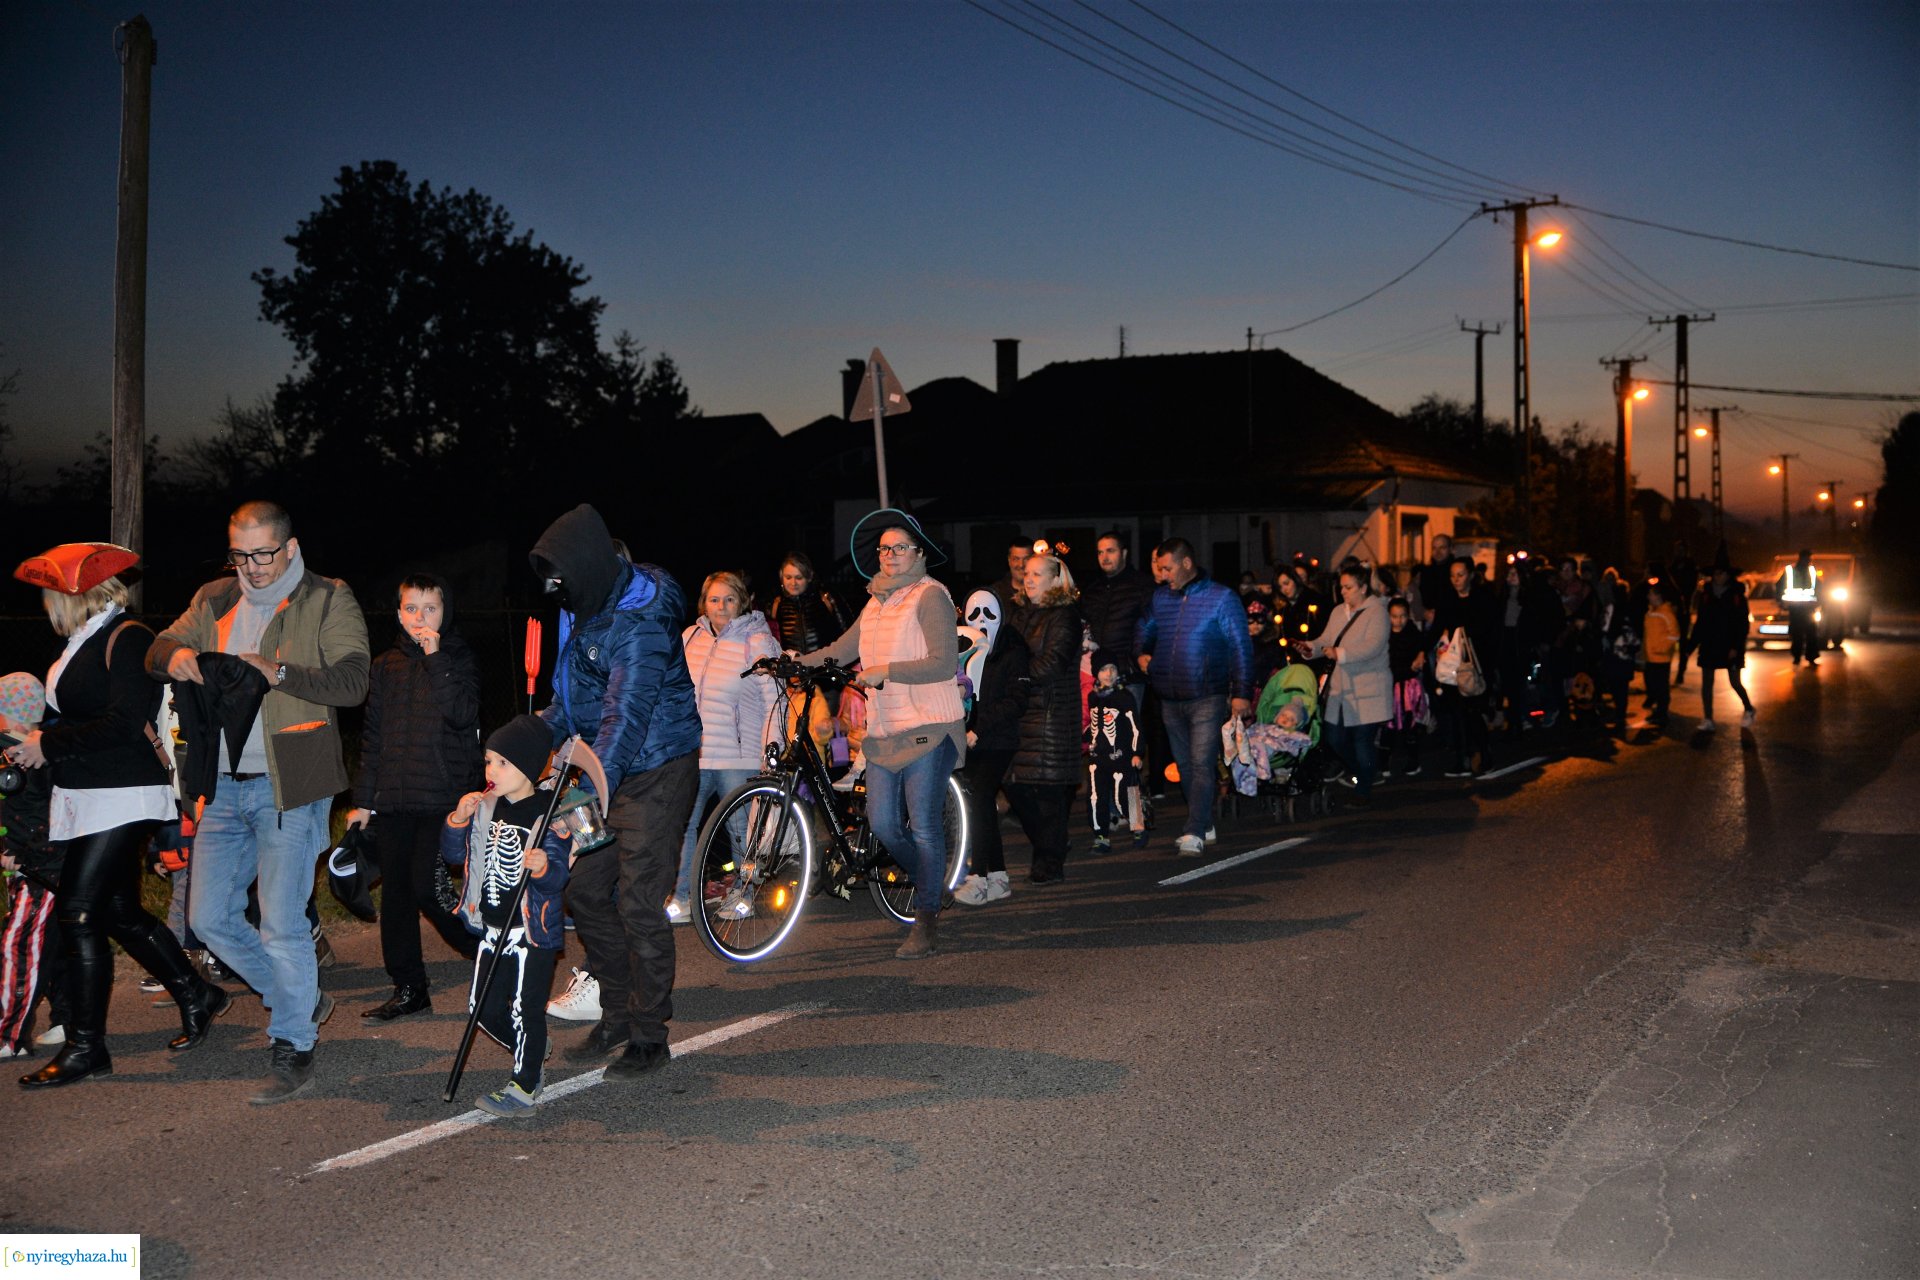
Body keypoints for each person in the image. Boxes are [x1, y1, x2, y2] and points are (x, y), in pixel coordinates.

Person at [146, 501, 369, 1103]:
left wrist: (278, 671)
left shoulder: (327, 598)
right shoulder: (216, 598)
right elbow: (157, 647)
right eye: (241, 555)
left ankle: (293, 1042)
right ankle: (301, 998)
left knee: (280, 922)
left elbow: (353, 681)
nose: (252, 567)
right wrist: (179, 657)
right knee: (207, 918)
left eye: (264, 554)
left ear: (291, 548)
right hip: (219, 785)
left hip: (290, 783)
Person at [10, 543, 229, 1090]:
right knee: (118, 911)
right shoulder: (81, 641)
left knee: (78, 912)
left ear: (73, 595)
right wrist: (39, 744)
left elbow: (126, 723)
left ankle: (88, 1048)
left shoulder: (128, 638)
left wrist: (50, 743)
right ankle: (198, 993)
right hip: (87, 793)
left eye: (49, 594)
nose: (45, 605)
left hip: (124, 792)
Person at [531, 504, 701, 1077]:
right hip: (605, 768)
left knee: (637, 900)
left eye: (563, 584)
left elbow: (625, 717)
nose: (558, 596)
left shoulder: (640, 620)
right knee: (583, 890)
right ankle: (617, 1012)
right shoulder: (584, 608)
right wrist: (521, 744)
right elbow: (569, 703)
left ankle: (650, 1034)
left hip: (657, 769)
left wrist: (587, 789)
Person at [801, 509, 965, 957]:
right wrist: (797, 661)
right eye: (884, 548)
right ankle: (932, 882)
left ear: (918, 553)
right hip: (886, 728)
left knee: (925, 827)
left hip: (929, 725)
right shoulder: (876, 600)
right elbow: (841, 649)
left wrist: (884, 672)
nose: (891, 555)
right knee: (884, 824)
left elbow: (943, 663)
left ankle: (926, 918)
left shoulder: (931, 596)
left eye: (900, 547)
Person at [345, 573, 482, 1022]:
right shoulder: (385, 664)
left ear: (446, 611)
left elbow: (462, 714)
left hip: (443, 797)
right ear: (398, 612)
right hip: (394, 799)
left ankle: (487, 951)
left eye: (430, 609)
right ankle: (409, 988)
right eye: (411, 609)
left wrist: (435, 657)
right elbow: (373, 738)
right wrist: (364, 801)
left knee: (430, 891)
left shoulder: (458, 658)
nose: (420, 618)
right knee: (397, 897)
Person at [439, 714, 574, 1116]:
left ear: (529, 767)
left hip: (532, 932)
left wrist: (544, 868)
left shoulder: (550, 813)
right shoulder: (486, 808)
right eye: (488, 762)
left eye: (502, 763)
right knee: (482, 1007)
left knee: (524, 1009)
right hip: (492, 927)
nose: (491, 771)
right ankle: (531, 1047)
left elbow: (558, 878)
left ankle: (524, 1086)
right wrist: (457, 821)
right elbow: (452, 856)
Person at [1135, 538, 1254, 857]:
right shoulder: (1161, 598)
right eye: (1159, 568)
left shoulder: (1221, 598)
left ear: (1186, 563)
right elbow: (1144, 627)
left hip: (1207, 694)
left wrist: (1241, 692)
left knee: (1201, 763)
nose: (1163, 574)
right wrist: (1143, 652)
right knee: (1185, 765)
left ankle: (1194, 830)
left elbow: (1240, 646)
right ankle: (1203, 821)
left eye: (1167, 568)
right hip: (1169, 696)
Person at [673, 571, 780, 922]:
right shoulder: (690, 638)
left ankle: (744, 893)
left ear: (742, 602)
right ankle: (684, 897)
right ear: (704, 603)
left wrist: (772, 747)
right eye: (714, 599)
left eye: (729, 599)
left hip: (739, 753)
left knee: (739, 827)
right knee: (683, 824)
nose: (721, 606)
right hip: (696, 752)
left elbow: (774, 698)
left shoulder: (757, 641)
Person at [1004, 553, 1084, 883]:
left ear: (1055, 580)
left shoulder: (1064, 615)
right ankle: (1051, 843)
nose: (1029, 577)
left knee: (1048, 791)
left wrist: (1014, 678)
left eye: (1038, 573)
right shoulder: (1020, 615)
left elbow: (1052, 663)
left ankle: (1048, 859)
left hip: (1052, 713)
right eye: (1027, 572)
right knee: (1013, 785)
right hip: (1022, 711)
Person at [952, 588, 1027, 907]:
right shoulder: (961, 647)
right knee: (977, 803)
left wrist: (979, 729)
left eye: (989, 612)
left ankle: (978, 876)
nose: (981, 620)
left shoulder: (1013, 649)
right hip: (969, 739)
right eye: (974, 613)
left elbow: (1016, 701)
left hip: (999, 740)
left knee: (980, 797)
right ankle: (997, 876)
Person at [1, 673, 62, 1058]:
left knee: (18, 944)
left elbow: (47, 818)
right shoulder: (22, 753)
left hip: (40, 869)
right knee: (50, 943)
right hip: (30, 865)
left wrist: (20, 855)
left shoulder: (23, 758)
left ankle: (9, 1034)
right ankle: (67, 1017)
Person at [1300, 567, 1391, 808]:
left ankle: (1363, 789)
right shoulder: (1339, 611)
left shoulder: (1377, 612)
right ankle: (1366, 772)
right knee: (1334, 737)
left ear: (1363, 588)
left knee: (1362, 740)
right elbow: (1326, 639)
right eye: (1341, 587)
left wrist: (1339, 653)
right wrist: (1311, 647)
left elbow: (1373, 646)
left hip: (1368, 687)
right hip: (1342, 689)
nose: (1343, 592)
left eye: (1348, 587)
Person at [1430, 557, 1498, 777]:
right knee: (1457, 712)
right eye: (1452, 575)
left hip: (1476, 665)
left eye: (1460, 575)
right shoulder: (1448, 599)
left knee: (1473, 712)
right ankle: (1462, 759)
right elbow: (1438, 626)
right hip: (1453, 665)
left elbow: (1491, 631)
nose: (1456, 580)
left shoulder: (1483, 598)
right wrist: (1423, 650)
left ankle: (1483, 755)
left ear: (1469, 575)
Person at [1079, 532, 1153, 707]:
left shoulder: (1141, 586)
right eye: (1100, 552)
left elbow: (1151, 628)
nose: (1104, 557)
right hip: (1096, 673)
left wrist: (1136, 661)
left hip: (1128, 675)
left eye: (1110, 551)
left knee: (1127, 728)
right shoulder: (1092, 589)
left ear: (1124, 553)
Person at [1083, 662, 1145, 852]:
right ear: (1095, 673)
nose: (1109, 674)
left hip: (1121, 756)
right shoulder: (1092, 696)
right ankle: (1100, 836)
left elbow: (1135, 726)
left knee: (1125, 795)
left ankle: (1139, 827)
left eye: (1113, 669)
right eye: (1103, 669)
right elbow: (1094, 726)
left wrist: (1137, 752)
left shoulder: (1124, 697)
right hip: (1097, 757)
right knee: (1095, 798)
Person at [1692, 554, 1756, 732]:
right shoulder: (1706, 595)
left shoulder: (1737, 596)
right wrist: (1690, 645)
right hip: (1710, 644)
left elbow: (1742, 623)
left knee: (1734, 682)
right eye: (1715, 573)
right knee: (1706, 683)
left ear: (1728, 575)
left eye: (1721, 573)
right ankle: (1708, 718)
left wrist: (1736, 646)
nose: (1717, 577)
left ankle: (1749, 709)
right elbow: (1701, 622)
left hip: (1730, 645)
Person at [764, 551, 849, 654]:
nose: (793, 583)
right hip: (792, 667)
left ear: (809, 576)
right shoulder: (775, 604)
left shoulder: (826, 598)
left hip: (824, 666)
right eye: (788, 577)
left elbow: (848, 634)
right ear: (781, 577)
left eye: (799, 578)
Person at [1380, 598, 1427, 778]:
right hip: (1390, 685)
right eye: (1394, 616)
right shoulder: (1384, 635)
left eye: (1402, 616)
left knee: (1410, 726)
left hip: (1408, 687)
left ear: (1408, 616)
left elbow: (1422, 644)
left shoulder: (1412, 632)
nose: (1398, 621)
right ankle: (1383, 762)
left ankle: (1413, 760)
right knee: (1387, 727)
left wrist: (1420, 656)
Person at [1639, 583, 1679, 729]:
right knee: (1651, 684)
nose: (1648, 596)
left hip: (1661, 658)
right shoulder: (1650, 612)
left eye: (1651, 594)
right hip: (1650, 657)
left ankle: (1662, 714)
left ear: (1658, 596)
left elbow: (1674, 634)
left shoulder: (1666, 613)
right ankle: (1657, 711)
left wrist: (1660, 648)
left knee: (1661, 687)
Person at [1776, 549, 1822, 667]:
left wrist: (1820, 601)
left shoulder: (1812, 571)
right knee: (1799, 634)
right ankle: (1798, 656)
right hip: (1797, 609)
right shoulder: (1790, 571)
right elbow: (1779, 586)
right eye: (1808, 558)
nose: (1809, 561)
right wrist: (1781, 602)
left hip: (1807, 608)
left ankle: (1808, 657)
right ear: (1802, 558)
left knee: (1809, 634)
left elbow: (1819, 588)